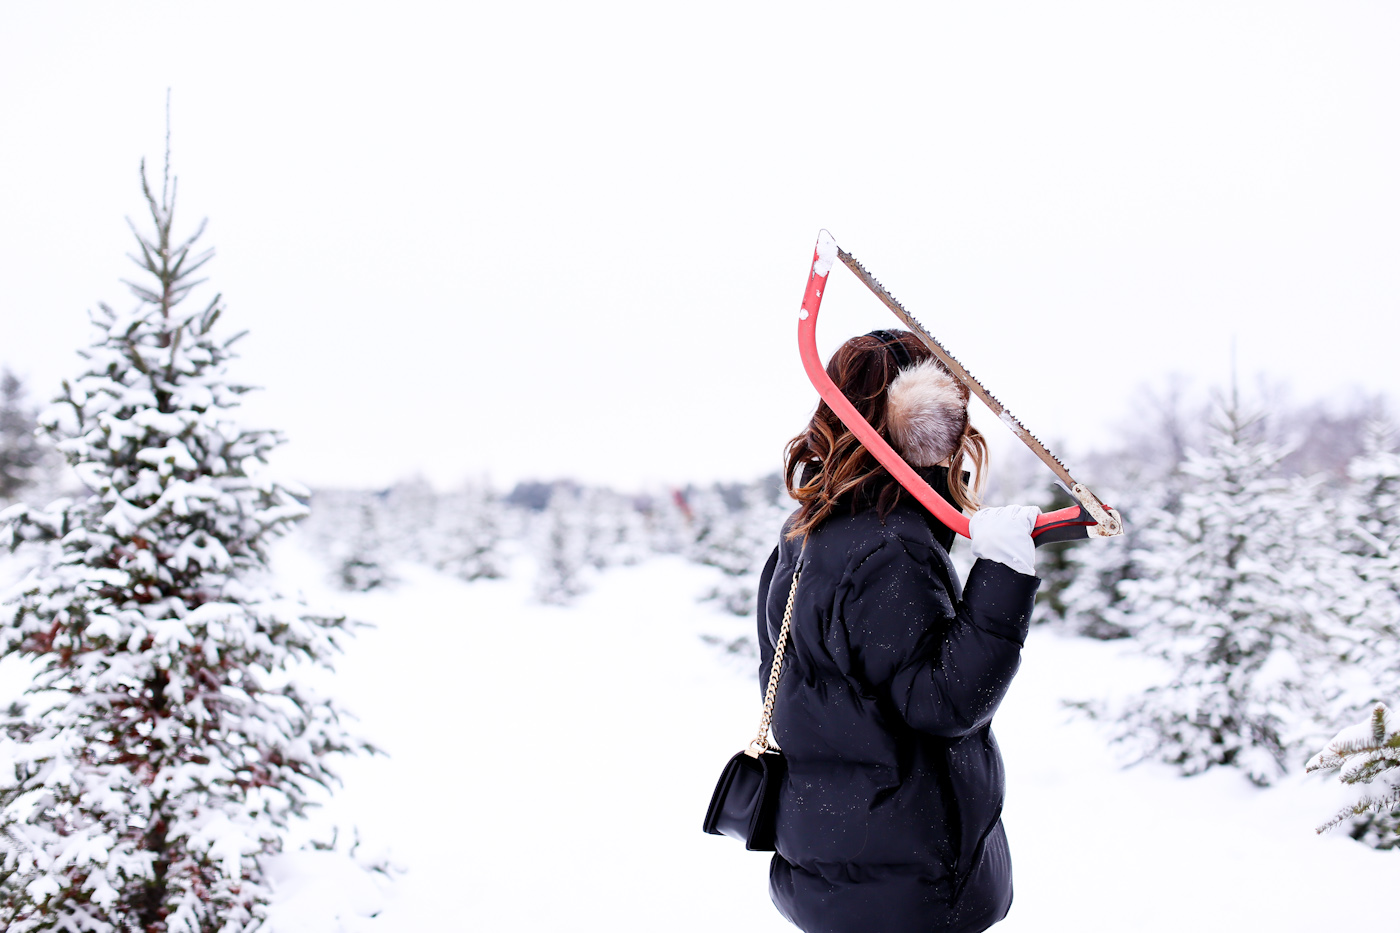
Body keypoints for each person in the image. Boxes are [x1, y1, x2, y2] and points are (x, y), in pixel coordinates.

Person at [757, 329, 1042, 933]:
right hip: (909, 884)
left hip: (834, 866)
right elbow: (942, 702)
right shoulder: (889, 549)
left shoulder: (808, 530)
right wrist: (1004, 575)